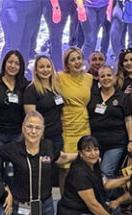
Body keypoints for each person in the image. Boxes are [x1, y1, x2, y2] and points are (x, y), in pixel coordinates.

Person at [58, 136, 132, 215]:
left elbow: (107, 184)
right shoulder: (79, 173)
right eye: (88, 150)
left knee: (114, 211)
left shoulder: (94, 164)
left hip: (84, 211)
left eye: (95, 149)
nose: (93, 153)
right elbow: (93, 205)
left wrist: (129, 177)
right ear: (80, 154)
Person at [87, 65, 132, 178]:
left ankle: (107, 196)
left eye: (109, 75)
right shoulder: (92, 95)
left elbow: (128, 120)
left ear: (114, 77)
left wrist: (131, 141)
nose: (106, 78)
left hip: (116, 143)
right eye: (102, 76)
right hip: (95, 142)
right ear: (98, 78)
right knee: (94, 172)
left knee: (106, 171)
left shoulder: (122, 97)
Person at [58, 47, 93, 186]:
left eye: (79, 58)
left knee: (85, 165)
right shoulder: (59, 77)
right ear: (67, 64)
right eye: (73, 60)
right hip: (67, 127)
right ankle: (64, 202)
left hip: (84, 125)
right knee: (66, 168)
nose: (77, 62)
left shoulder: (89, 78)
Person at [0, 50, 29, 148]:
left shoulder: (24, 85)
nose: (12, 66)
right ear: (4, 63)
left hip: (17, 134)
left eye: (17, 63)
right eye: (10, 62)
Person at [23, 56, 64, 150]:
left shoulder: (56, 88)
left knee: (57, 164)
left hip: (57, 136)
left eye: (48, 66)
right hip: (42, 138)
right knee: (45, 163)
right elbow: (31, 118)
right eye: (41, 67)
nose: (45, 70)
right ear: (36, 70)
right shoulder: (31, 90)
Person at [43, 0, 78, 70]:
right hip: (54, 5)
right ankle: (57, 70)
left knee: (56, 37)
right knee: (56, 38)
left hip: (67, 4)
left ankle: (56, 65)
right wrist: (55, 6)